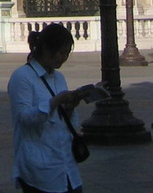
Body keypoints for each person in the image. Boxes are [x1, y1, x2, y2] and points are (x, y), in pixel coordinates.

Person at [8, 22, 99, 193]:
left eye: (66, 53)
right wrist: (54, 102)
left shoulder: (59, 78)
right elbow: (24, 119)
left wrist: (70, 107)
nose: (63, 58)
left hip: (65, 163)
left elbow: (63, 119)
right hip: (39, 165)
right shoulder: (22, 77)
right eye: (61, 52)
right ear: (47, 49)